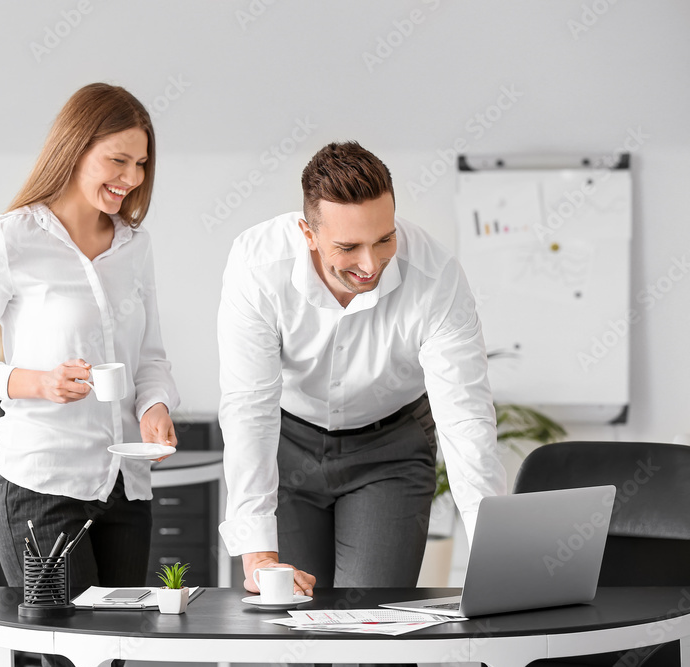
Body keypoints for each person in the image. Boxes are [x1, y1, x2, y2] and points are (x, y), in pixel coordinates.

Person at [217, 141, 507, 596]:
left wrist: (496, 556)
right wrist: (257, 553)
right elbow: (248, 405)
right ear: (308, 233)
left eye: (385, 239)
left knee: (371, 629)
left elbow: (465, 417)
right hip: (286, 445)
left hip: (389, 450)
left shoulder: (435, 277)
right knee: (291, 628)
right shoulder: (258, 266)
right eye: (349, 246)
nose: (371, 265)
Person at [0, 83, 180, 600]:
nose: (132, 178)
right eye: (118, 160)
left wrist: (155, 405)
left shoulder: (136, 246)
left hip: (126, 487)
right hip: (43, 486)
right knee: (65, 651)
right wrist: (38, 382)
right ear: (75, 147)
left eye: (141, 163)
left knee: (116, 648)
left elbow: (151, 357)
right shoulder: (12, 238)